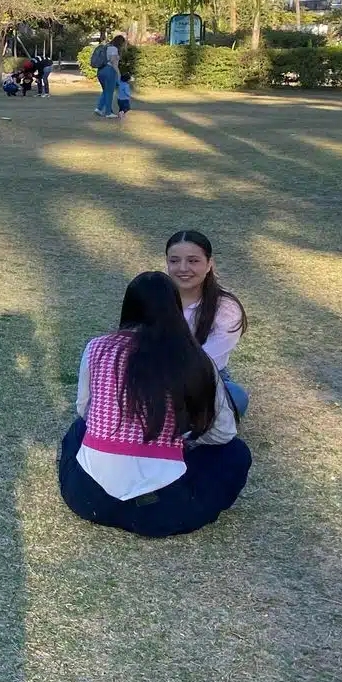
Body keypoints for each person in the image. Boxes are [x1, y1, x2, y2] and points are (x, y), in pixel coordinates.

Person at [58, 271, 251, 538]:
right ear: (176, 309)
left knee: (77, 430)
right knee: (235, 453)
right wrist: (182, 441)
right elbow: (223, 432)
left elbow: (85, 411)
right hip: (162, 510)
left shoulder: (97, 347)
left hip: (88, 498)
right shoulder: (195, 358)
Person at [165, 229, 250, 416]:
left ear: (209, 264)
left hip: (205, 379)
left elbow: (206, 361)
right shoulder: (156, 298)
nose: (183, 268)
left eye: (193, 261)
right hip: (156, 375)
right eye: (174, 261)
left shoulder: (225, 307)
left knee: (236, 398)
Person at [91, 34, 125, 118]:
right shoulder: (113, 49)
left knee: (106, 91)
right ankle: (108, 112)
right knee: (109, 92)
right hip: (109, 71)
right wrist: (118, 73)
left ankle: (99, 108)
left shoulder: (106, 47)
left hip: (101, 70)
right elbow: (113, 62)